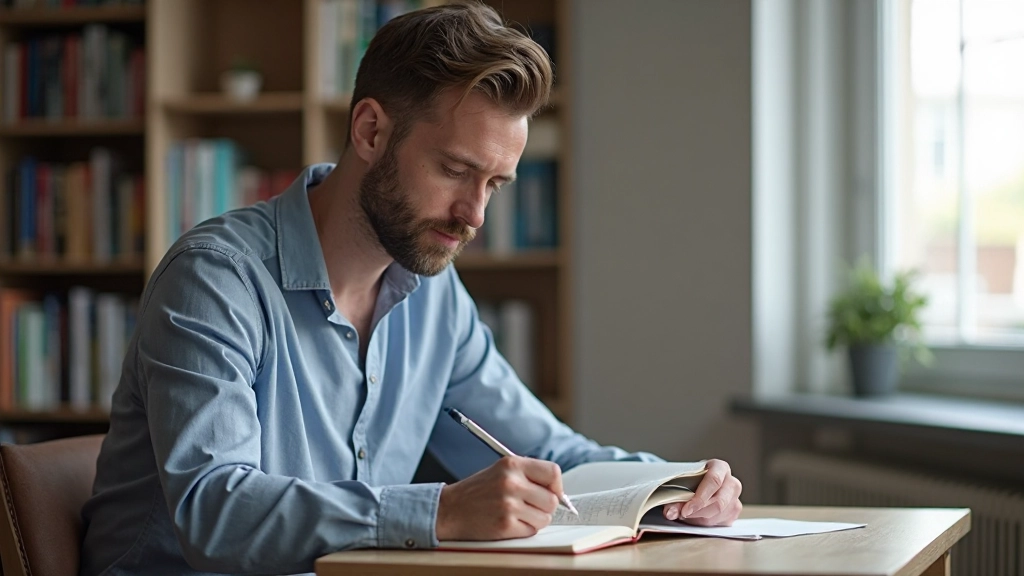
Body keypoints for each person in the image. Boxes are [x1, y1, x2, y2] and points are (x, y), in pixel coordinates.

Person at [79, 2, 742, 575]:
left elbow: (550, 455)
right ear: (370, 131)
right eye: (456, 171)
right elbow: (215, 511)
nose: (475, 214)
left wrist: (676, 488)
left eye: (495, 185)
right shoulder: (215, 280)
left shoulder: (434, 294)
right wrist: (444, 510)